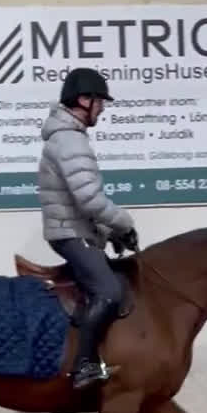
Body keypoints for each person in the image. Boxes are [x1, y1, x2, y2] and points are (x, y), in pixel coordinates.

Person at [38, 68, 139, 388]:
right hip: (69, 234)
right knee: (109, 291)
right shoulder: (70, 140)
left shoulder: (70, 137)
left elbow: (81, 202)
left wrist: (109, 233)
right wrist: (125, 224)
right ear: (84, 100)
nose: (103, 108)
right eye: (100, 101)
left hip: (74, 228)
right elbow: (89, 200)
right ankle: (84, 365)